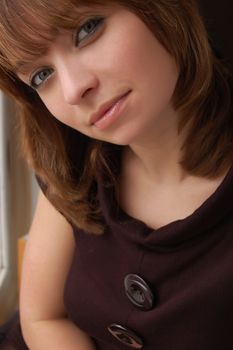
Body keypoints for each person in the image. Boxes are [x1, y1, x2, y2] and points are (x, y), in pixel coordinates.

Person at [0, 0, 232, 349]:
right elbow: (42, 316)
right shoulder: (75, 162)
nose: (73, 90)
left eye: (87, 29)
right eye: (41, 75)